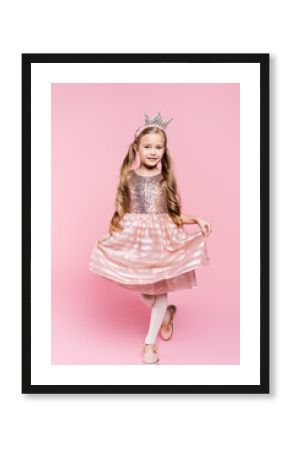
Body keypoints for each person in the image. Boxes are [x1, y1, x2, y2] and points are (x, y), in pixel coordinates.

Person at [89, 112, 212, 364]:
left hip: (161, 242)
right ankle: (166, 315)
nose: (153, 151)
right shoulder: (128, 177)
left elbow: (173, 215)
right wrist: (113, 237)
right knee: (145, 291)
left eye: (158, 147)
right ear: (136, 148)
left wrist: (197, 219)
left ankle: (149, 344)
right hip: (136, 243)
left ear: (164, 150)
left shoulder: (166, 180)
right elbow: (123, 213)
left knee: (160, 290)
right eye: (147, 146)